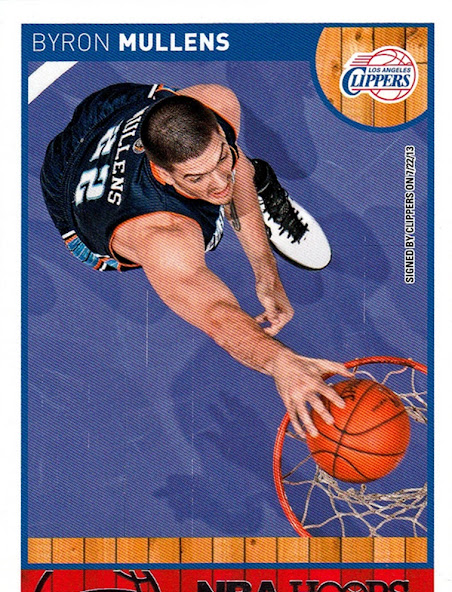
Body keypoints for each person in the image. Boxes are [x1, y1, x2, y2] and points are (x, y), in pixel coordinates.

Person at [41, 81, 351, 437]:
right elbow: (217, 315)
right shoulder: (163, 237)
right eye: (197, 177)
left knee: (231, 160)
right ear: (163, 173)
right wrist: (280, 361)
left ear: (217, 129)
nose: (219, 182)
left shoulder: (216, 103)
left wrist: (266, 275)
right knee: (210, 231)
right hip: (70, 188)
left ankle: (243, 175)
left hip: (110, 108)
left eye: (220, 158)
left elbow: (232, 168)